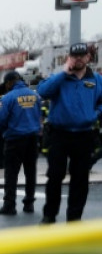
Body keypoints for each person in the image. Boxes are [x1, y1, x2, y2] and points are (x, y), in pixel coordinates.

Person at [37, 42, 102, 224]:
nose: (79, 58)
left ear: (88, 58)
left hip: (84, 134)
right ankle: (49, 214)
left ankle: (74, 218)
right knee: (55, 176)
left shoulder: (96, 80)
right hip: (59, 134)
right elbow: (42, 91)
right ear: (69, 58)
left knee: (80, 179)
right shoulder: (59, 78)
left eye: (82, 55)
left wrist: (94, 113)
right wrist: (64, 72)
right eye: (75, 56)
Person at [0, 71, 41, 216]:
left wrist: (6, 129)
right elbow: (39, 115)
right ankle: (29, 203)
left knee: (11, 174)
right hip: (32, 138)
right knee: (30, 172)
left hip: (14, 139)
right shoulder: (35, 96)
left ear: (8, 83)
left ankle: (9, 205)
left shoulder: (8, 98)